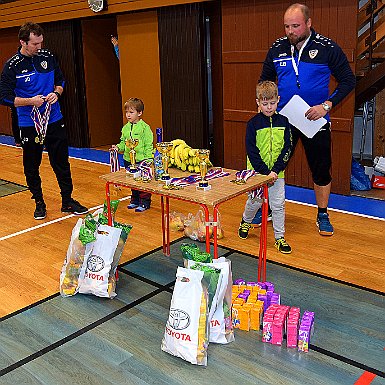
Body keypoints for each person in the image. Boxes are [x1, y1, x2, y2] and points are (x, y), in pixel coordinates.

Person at [260, 3, 355, 236]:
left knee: (321, 168)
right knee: (274, 166)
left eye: (295, 26)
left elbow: (348, 80)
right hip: (283, 119)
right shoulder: (277, 48)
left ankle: (322, 213)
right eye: (286, 26)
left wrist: (326, 106)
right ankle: (269, 208)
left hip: (315, 119)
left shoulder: (327, 47)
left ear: (309, 23)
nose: (290, 31)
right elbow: (265, 82)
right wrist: (267, 106)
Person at [0, 22, 88, 220]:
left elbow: (61, 80)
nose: (39, 47)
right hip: (30, 124)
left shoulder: (48, 57)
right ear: (23, 42)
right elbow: (3, 97)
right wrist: (30, 101)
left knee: (61, 162)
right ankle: (39, 202)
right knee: (32, 165)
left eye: (41, 42)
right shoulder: (12, 66)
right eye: (35, 44)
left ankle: (67, 200)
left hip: (54, 119)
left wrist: (57, 92)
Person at [238, 81, 293, 254]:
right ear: (258, 102)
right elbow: (251, 150)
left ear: (278, 100)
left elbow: (287, 147)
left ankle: (279, 237)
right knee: (254, 201)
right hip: (257, 173)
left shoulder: (284, 122)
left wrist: (275, 170)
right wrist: (264, 172)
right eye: (264, 103)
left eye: (272, 103)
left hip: (277, 173)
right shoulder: (252, 124)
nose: (269, 107)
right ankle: (245, 221)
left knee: (278, 205)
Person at [111, 97, 154, 212]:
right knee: (132, 181)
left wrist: (149, 159)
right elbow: (123, 142)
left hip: (141, 160)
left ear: (139, 113)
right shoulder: (125, 128)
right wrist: (118, 147)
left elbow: (148, 144)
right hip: (128, 159)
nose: (128, 115)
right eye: (126, 112)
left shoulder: (145, 128)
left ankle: (145, 202)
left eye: (131, 112)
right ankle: (134, 200)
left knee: (143, 182)